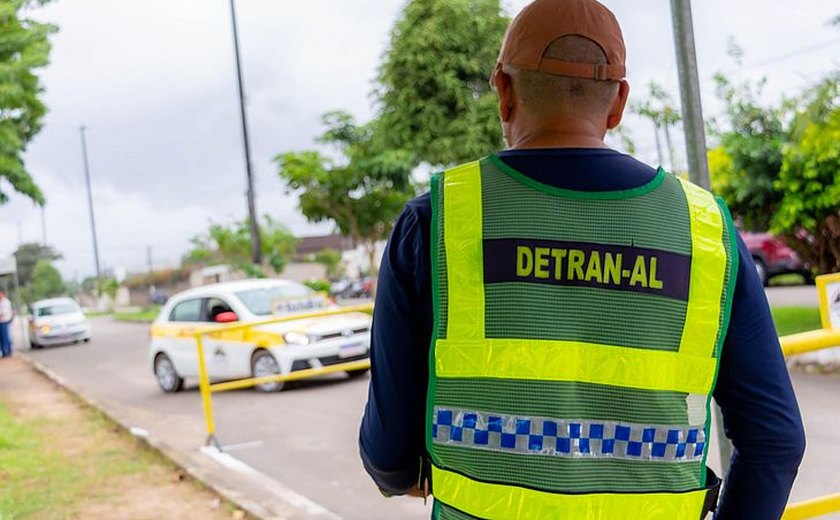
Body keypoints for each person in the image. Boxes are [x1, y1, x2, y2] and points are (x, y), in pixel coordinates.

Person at [359, 0, 805, 518]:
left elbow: (389, 454)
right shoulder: (705, 232)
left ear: (503, 92)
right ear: (618, 104)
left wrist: (404, 473)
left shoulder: (438, 221)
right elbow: (775, 440)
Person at [0, 290, 14, 358]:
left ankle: (8, 351)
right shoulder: (1, 301)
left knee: (5, 337)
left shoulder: (6, 302)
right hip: (1, 322)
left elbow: (4, 312)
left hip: (4, 321)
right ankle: (4, 352)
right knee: (2, 338)